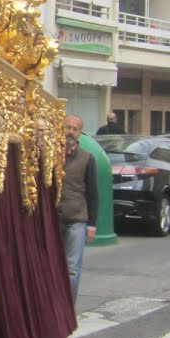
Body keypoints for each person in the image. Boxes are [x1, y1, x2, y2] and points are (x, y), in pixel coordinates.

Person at [59, 115, 99, 302]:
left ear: (80, 134)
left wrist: (92, 225)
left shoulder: (87, 158)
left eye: (75, 129)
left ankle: (68, 308)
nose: (70, 132)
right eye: (67, 127)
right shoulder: (51, 155)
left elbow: (93, 193)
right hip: (54, 218)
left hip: (77, 219)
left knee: (72, 269)